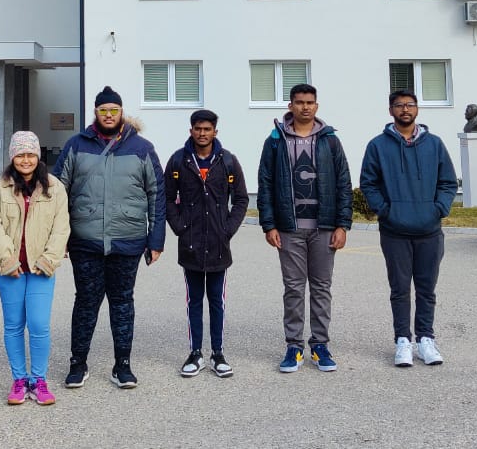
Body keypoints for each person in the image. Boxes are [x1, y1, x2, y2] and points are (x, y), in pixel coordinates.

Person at [53, 86, 165, 390]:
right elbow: (56, 192)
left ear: (122, 113)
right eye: (103, 110)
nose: (109, 115)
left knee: (122, 303)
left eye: (114, 110)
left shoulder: (142, 148)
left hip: (127, 240)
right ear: (95, 113)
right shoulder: (76, 145)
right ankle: (78, 363)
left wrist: (156, 240)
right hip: (85, 241)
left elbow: (157, 193)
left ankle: (122, 366)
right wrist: (58, 237)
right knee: (86, 302)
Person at [257, 83, 352, 374]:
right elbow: (265, 184)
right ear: (290, 106)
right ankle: (294, 346)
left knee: (322, 288)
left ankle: (320, 345)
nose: (305, 107)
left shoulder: (330, 141)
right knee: (294, 289)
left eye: (310, 102)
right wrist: (269, 224)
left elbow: (343, 183)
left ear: (317, 106)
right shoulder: (275, 140)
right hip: (289, 227)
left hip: (324, 227)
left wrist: (342, 224)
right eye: (299, 102)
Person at [359, 89, 458, 368]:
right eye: (399, 105)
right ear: (390, 111)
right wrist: (386, 210)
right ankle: (402, 340)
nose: (405, 109)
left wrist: (438, 208)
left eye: (410, 105)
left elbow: (448, 182)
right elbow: (368, 183)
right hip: (395, 230)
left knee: (427, 289)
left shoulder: (435, 144)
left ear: (417, 110)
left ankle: (425, 339)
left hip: (429, 229)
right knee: (400, 289)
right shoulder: (377, 146)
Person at [0, 130, 70, 406]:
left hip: (41, 268)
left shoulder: (54, 188)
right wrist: (6, 259)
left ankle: (39, 379)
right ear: (12, 157)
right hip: (9, 268)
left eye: (30, 154)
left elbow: (61, 228)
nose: (25, 159)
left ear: (38, 156)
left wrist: (49, 259)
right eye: (20, 154)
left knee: (39, 324)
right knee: (13, 325)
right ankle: (19, 380)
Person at [164, 109, 248, 379]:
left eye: (207, 129)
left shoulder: (228, 162)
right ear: (191, 130)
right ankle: (195, 353)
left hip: (218, 245)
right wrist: (179, 227)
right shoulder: (178, 161)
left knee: (217, 301)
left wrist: (228, 228)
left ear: (215, 132)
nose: (202, 133)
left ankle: (218, 354)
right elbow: (166, 198)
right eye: (198, 129)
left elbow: (242, 199)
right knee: (194, 301)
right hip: (190, 245)